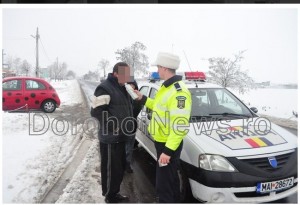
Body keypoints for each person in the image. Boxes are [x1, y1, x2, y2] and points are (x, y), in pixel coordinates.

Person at [135, 52, 192, 203]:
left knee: (163, 185)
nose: (157, 70)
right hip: (162, 142)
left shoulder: (179, 92)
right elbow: (159, 107)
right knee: (171, 181)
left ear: (165, 68)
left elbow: (179, 125)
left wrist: (168, 151)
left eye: (158, 67)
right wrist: (143, 99)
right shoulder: (166, 87)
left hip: (169, 145)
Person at [91, 62, 135, 203]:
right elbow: (96, 111)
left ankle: (114, 192)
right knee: (111, 170)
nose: (128, 77)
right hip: (111, 138)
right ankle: (110, 196)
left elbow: (128, 107)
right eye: (125, 74)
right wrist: (115, 126)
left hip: (122, 136)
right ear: (116, 73)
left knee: (119, 169)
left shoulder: (122, 87)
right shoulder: (104, 88)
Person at [125, 80, 143, 173]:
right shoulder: (122, 97)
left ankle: (127, 165)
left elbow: (137, 112)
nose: (131, 88)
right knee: (122, 148)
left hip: (132, 126)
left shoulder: (136, 100)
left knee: (129, 148)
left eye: (133, 86)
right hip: (121, 127)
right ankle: (121, 165)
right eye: (130, 86)